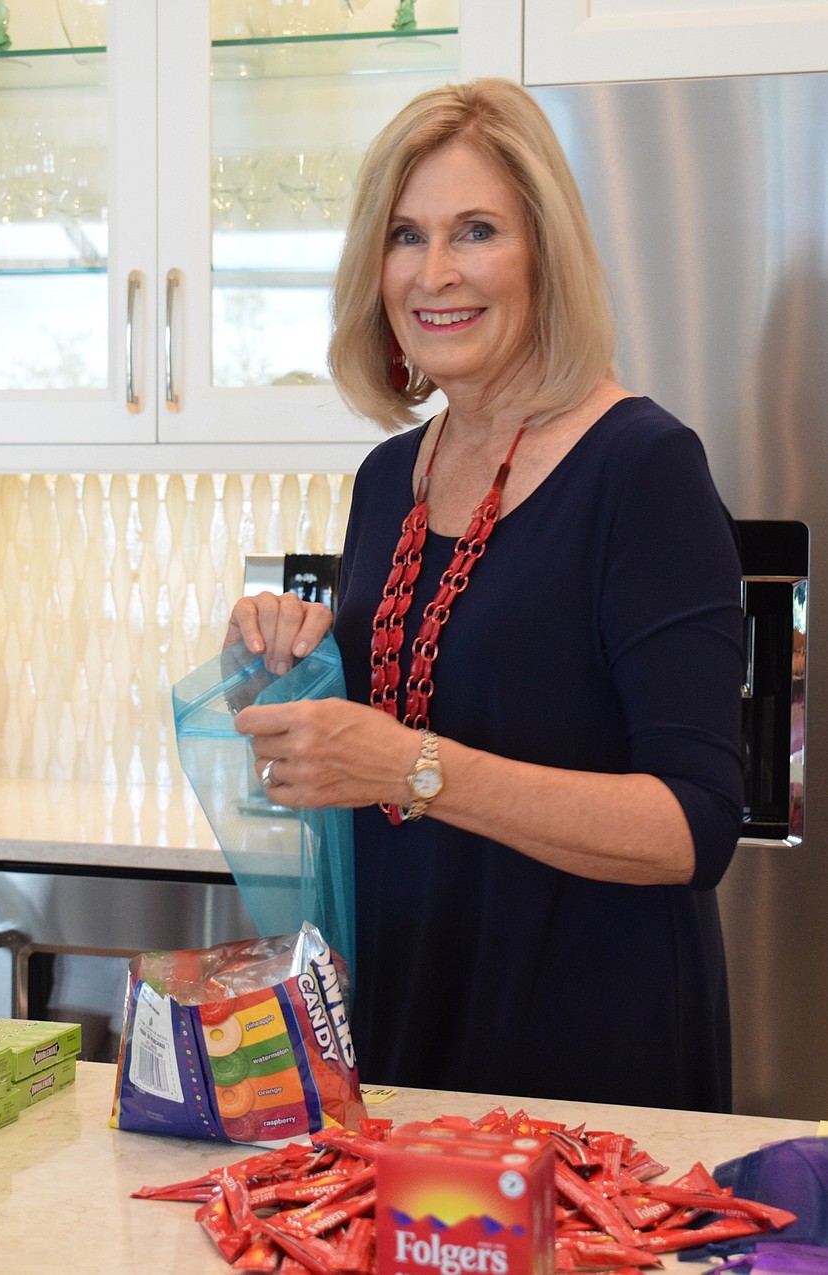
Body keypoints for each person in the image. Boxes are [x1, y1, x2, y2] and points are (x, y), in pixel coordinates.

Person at [225, 78, 744, 1112]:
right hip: (410, 1024)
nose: (435, 273)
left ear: (543, 253)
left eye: (475, 231)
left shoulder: (642, 467)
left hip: (588, 1053)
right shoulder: (390, 478)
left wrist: (409, 765)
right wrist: (284, 671)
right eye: (405, 236)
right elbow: (396, 733)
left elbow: (692, 827)